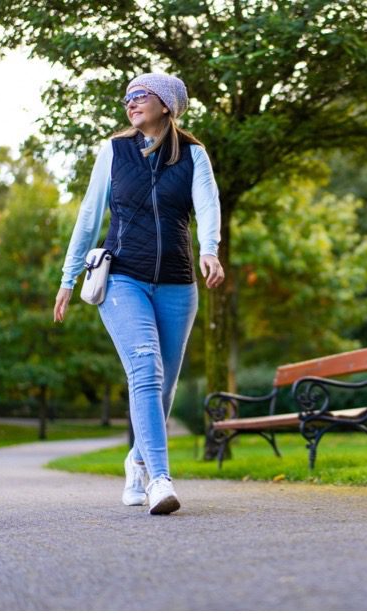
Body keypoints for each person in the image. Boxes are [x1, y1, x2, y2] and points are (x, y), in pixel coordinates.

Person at [53, 73, 224, 515]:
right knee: (145, 365)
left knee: (163, 384)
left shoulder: (193, 155)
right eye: (127, 97)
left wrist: (210, 251)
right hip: (122, 277)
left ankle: (137, 461)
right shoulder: (114, 151)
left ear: (166, 104)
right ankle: (160, 480)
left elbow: (206, 204)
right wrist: (68, 278)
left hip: (177, 281)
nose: (130, 103)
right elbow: (89, 218)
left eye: (140, 95)